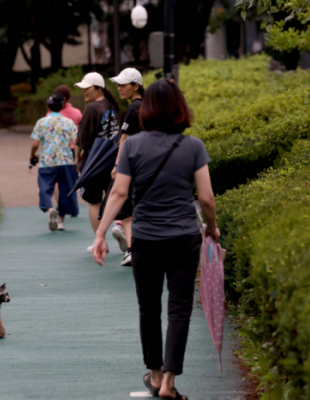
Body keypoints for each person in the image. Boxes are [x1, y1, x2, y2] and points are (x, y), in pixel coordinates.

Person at [92, 79, 221, 400]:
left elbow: (120, 192)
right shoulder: (193, 146)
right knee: (179, 309)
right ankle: (169, 383)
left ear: (146, 110)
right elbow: (206, 197)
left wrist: (100, 233)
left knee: (148, 309)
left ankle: (155, 373)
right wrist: (212, 227)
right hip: (183, 238)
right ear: (180, 108)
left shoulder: (132, 145)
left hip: (146, 238)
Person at [102, 68, 145, 267]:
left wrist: (118, 165)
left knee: (127, 211)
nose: (118, 88)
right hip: (145, 163)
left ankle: (131, 250)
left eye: (123, 85)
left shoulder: (133, 108)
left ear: (136, 86)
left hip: (132, 163)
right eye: (117, 84)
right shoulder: (145, 105)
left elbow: (125, 139)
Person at [73, 72, 120, 252]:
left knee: (94, 202)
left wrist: (77, 157)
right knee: (115, 199)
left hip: (93, 160)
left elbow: (81, 137)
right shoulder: (112, 105)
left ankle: (100, 241)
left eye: (87, 88)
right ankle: (120, 228)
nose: (84, 91)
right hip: (112, 159)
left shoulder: (91, 107)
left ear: (99, 88)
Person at [30, 92, 79, 231]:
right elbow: (75, 142)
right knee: (64, 191)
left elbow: (35, 144)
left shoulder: (42, 122)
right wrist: (77, 159)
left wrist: (32, 155)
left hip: (47, 162)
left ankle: (49, 208)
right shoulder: (69, 122)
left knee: (45, 188)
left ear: (48, 106)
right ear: (62, 106)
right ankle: (61, 221)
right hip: (66, 161)